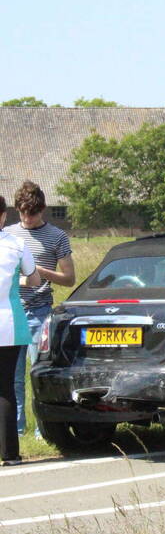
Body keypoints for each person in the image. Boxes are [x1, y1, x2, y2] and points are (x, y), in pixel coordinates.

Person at [2, 181, 75, 434]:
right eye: (22, 213)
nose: (27, 219)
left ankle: (41, 430)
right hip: (12, 313)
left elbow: (69, 279)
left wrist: (39, 271)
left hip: (40, 312)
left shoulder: (57, 236)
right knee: (13, 378)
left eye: (32, 214)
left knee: (39, 374)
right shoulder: (8, 235)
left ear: (41, 209)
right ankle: (17, 430)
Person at [1, 194, 42, 466]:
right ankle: (10, 454)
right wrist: (19, 279)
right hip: (9, 324)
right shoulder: (16, 244)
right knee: (5, 388)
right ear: (3, 216)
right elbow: (35, 278)